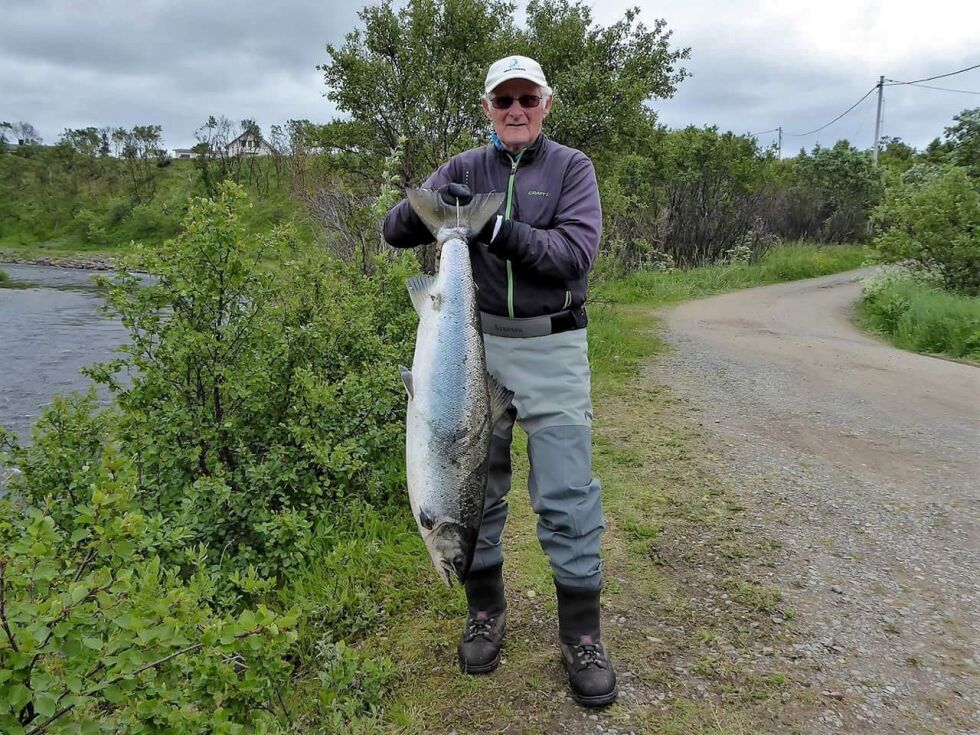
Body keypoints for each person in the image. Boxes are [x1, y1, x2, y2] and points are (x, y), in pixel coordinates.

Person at [383, 55, 617, 707]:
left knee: (568, 493)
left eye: (527, 98)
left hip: (553, 344)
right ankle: (483, 610)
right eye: (503, 99)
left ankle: (582, 634)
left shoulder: (572, 169)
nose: (516, 109)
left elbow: (573, 254)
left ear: (547, 104)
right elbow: (394, 232)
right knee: (471, 487)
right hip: (471, 345)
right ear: (486, 107)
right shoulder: (463, 170)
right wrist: (431, 213)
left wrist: (496, 228)